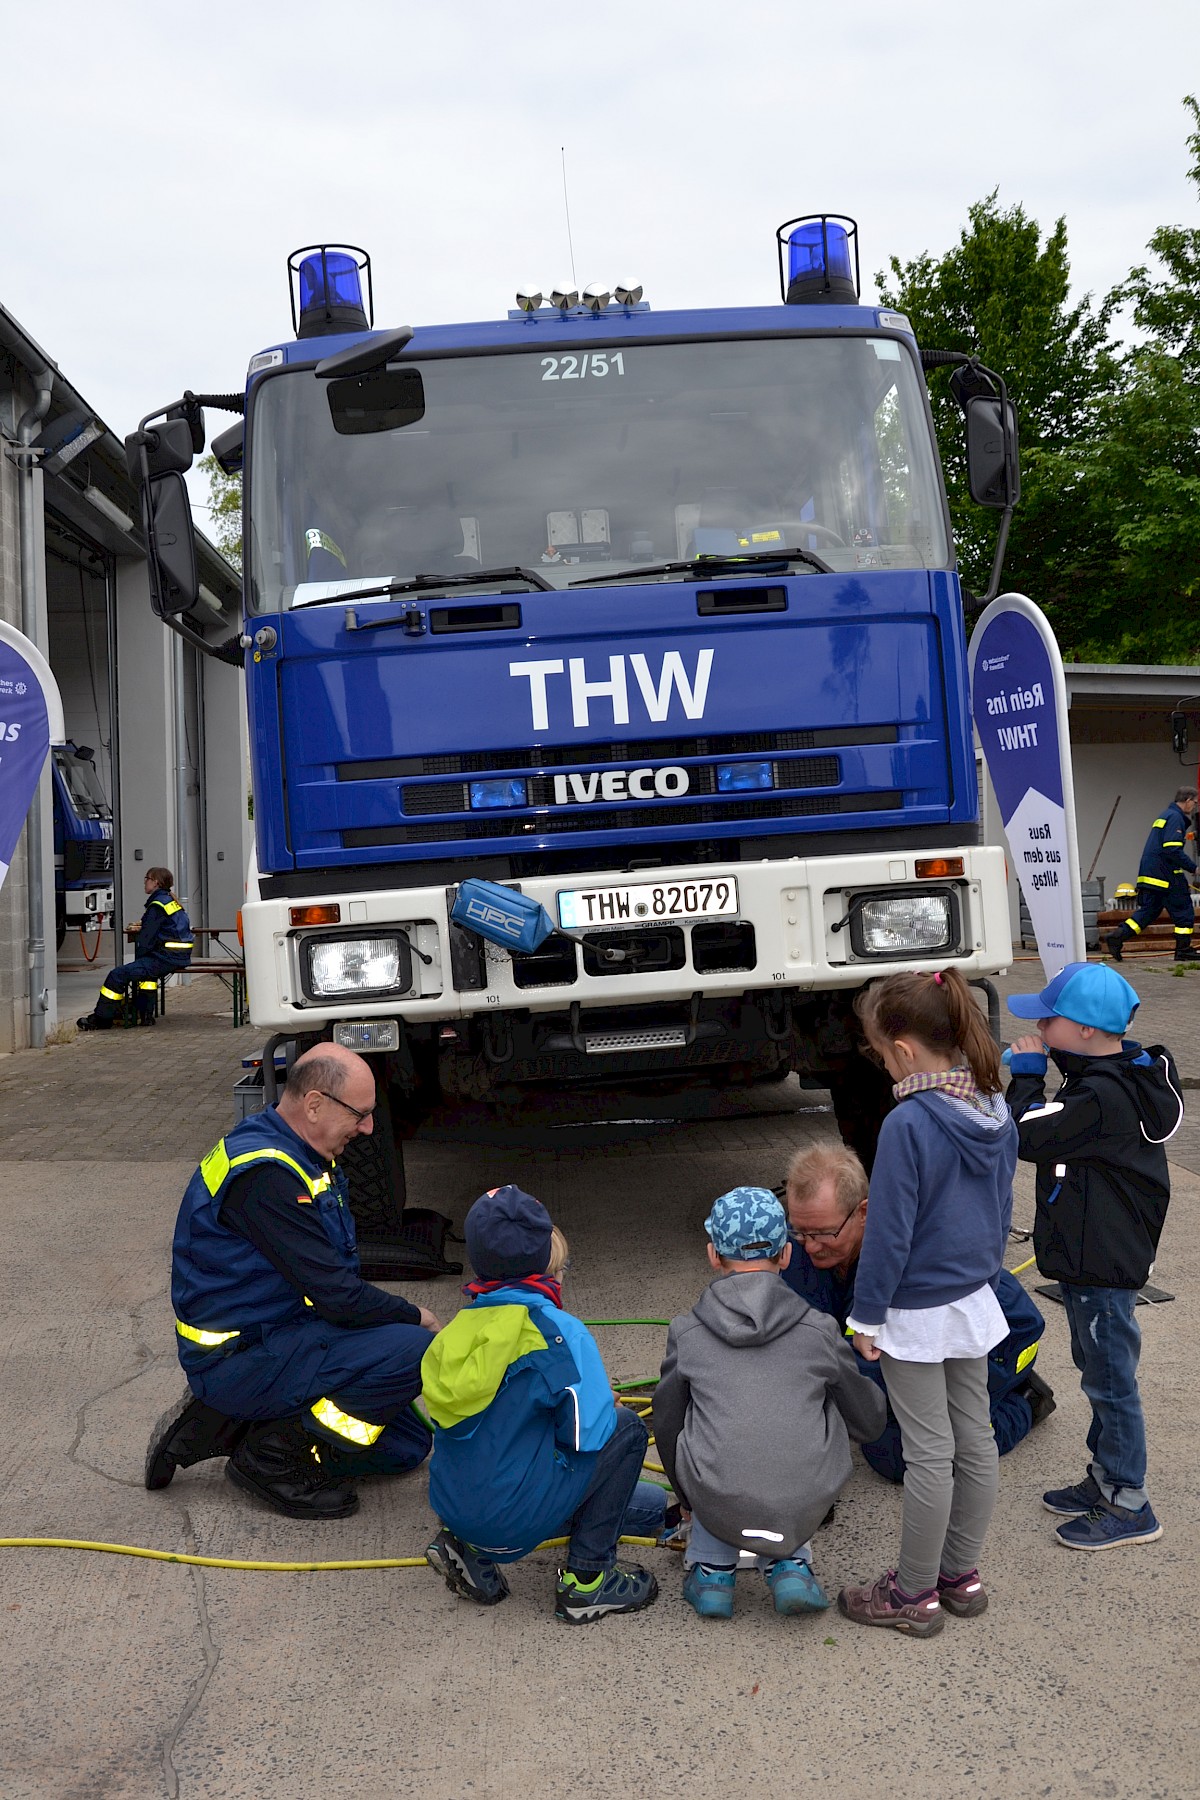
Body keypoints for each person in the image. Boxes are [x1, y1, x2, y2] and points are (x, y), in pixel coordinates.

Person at [144, 1043, 439, 1520]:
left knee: (405, 1448)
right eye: (360, 1115)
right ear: (315, 1103)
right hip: (243, 1354)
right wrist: (416, 1316)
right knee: (413, 1349)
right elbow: (340, 1298)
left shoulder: (290, 1146)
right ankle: (270, 1456)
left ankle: (234, 1422)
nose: (367, 1128)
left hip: (278, 1330)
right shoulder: (267, 1177)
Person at [835, 968, 1017, 1638]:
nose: (881, 1063)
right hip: (971, 1299)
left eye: (879, 1052)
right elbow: (1001, 1210)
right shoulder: (994, 1105)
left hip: (912, 1309)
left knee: (929, 1450)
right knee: (976, 1439)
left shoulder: (909, 1122)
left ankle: (912, 1592)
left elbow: (888, 1231)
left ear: (905, 1050)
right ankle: (960, 1576)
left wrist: (867, 1315)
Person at [422, 1185, 663, 1625]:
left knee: (647, 1508)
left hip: (456, 1506)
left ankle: (470, 1551)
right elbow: (586, 1434)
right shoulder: (558, 1333)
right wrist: (602, 1405)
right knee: (627, 1429)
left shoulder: (457, 1330)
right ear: (549, 1268)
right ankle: (588, 1582)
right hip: (515, 1517)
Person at [1006, 960, 1182, 1550]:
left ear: (1082, 1030)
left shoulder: (1101, 1096)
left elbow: (1025, 1133)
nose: (1039, 1028)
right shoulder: (1109, 1075)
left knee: (1110, 1381)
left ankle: (1131, 1502)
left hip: (1103, 1263)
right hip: (1095, 1256)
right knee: (1098, 1371)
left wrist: (1027, 1076)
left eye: (1048, 1021)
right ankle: (1105, 1477)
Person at [653, 1187, 886, 1622]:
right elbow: (869, 1421)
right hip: (803, 1498)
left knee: (707, 1427)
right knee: (814, 1404)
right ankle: (790, 1565)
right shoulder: (819, 1329)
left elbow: (666, 1423)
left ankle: (712, 1574)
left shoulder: (687, 1333)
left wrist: (686, 1496)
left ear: (712, 1254)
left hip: (716, 1496)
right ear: (784, 1256)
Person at [783, 1143, 1053, 1481]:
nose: (810, 1245)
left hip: (1002, 1345)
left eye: (823, 1233)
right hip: (909, 1353)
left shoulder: (905, 1264)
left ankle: (1024, 1403)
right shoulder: (802, 1245)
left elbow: (869, 1379)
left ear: (864, 1213)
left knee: (899, 1454)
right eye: (799, 1230)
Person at [77, 866, 194, 1030]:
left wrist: (139, 951)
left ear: (156, 883)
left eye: (147, 879)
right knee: (147, 978)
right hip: (178, 956)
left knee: (117, 974)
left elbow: (146, 939)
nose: (144, 882)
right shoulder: (170, 901)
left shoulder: (157, 905)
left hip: (167, 957)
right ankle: (144, 1014)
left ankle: (102, 1019)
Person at [1106, 789, 1198, 962]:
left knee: (1149, 911)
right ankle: (1183, 950)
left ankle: (1117, 936)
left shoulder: (1165, 815)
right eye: (1195, 802)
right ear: (1187, 800)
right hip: (1166, 875)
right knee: (1183, 909)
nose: (1195, 806)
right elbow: (1172, 849)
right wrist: (1194, 868)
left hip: (1151, 874)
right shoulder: (1175, 818)